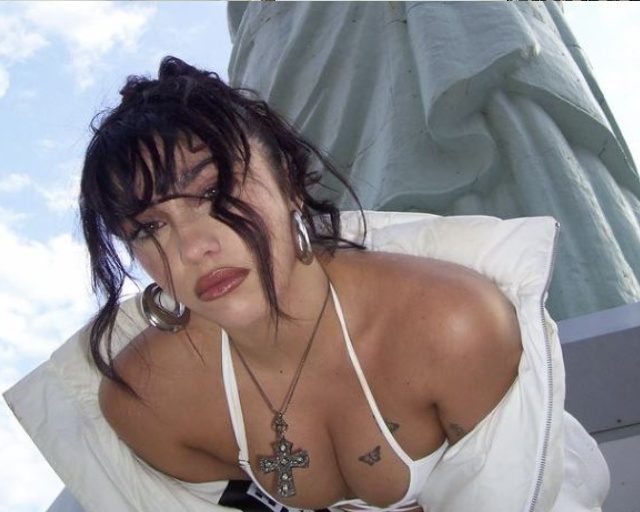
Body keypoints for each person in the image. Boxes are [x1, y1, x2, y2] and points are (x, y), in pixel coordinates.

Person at [5, 56, 609, 512]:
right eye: (149, 227)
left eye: (214, 191)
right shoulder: (148, 401)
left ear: (291, 183)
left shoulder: (450, 322)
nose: (192, 247)